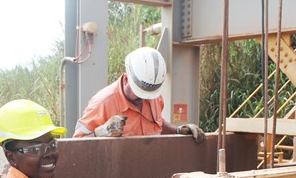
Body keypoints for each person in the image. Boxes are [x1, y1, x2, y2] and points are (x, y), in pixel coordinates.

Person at [73, 46, 205, 143]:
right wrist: (100, 133)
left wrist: (178, 130)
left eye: (148, 95)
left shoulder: (154, 96)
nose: (144, 99)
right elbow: (75, 144)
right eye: (139, 93)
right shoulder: (103, 103)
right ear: (126, 80)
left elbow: (157, 125)